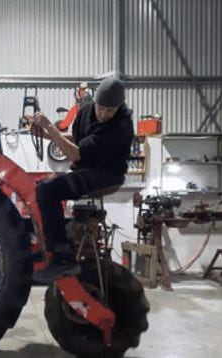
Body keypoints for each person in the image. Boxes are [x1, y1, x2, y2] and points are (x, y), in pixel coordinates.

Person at [29, 77, 134, 283]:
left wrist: (51, 128)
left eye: (109, 111)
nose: (104, 114)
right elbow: (78, 140)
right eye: (101, 108)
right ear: (94, 102)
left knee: (48, 190)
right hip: (87, 169)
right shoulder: (86, 111)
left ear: (118, 107)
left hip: (107, 174)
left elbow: (76, 154)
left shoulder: (121, 125)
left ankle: (61, 256)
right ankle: (51, 248)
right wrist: (46, 134)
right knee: (42, 188)